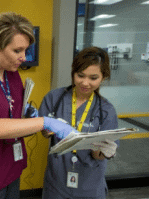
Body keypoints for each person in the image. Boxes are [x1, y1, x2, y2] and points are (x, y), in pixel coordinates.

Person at [0, 12, 78, 199]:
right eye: (17, 51)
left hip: (10, 167)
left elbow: (13, 110)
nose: (24, 58)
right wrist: (45, 122)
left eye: (26, 50)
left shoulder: (11, 73)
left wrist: (31, 116)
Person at [39, 46, 119, 199]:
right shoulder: (54, 98)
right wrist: (47, 130)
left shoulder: (106, 110)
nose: (85, 83)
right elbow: (44, 133)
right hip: (57, 182)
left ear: (104, 77)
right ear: (73, 72)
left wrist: (102, 151)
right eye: (80, 75)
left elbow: (99, 156)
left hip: (89, 185)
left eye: (93, 78)